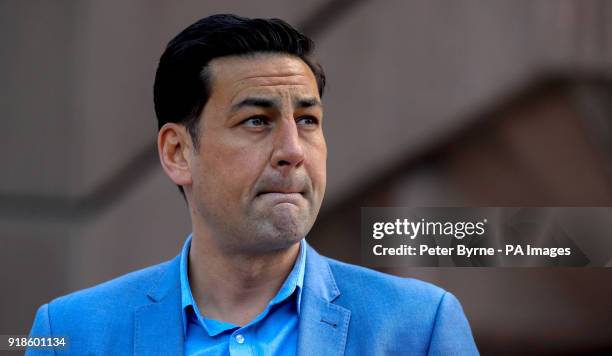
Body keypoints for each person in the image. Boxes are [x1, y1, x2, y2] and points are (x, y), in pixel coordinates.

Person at [27, 14, 478, 355]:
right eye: (257, 121)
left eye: (307, 120)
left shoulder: (419, 327)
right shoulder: (70, 332)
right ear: (177, 153)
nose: (293, 149)